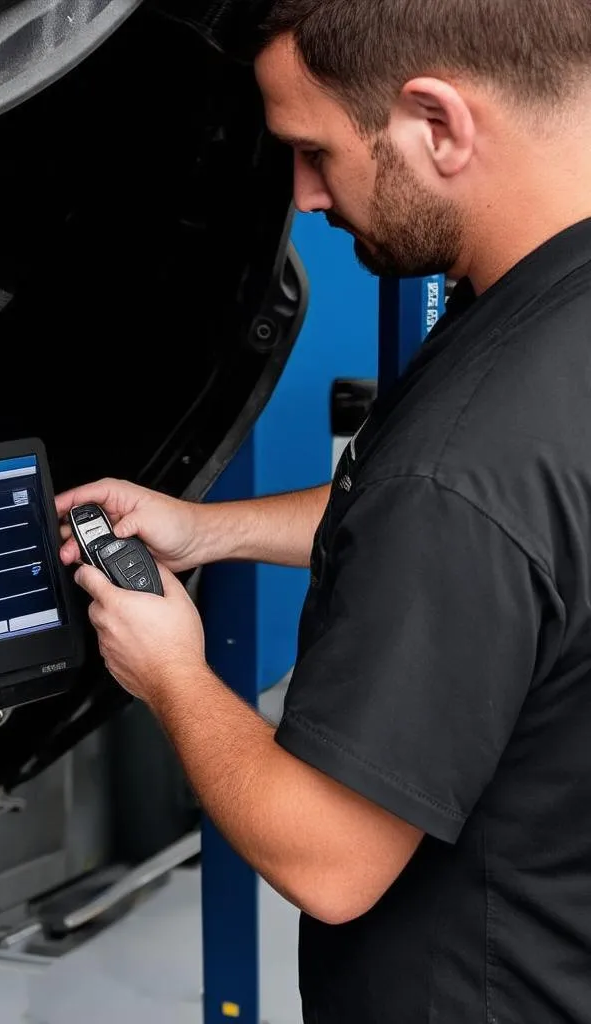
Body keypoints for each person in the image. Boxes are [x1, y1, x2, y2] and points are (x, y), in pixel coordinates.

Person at [54, 1, 591, 1020]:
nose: (301, 197)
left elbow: (328, 857)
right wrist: (211, 528)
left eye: (313, 150)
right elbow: (517, 546)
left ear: (437, 122)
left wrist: (171, 668)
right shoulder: (547, 307)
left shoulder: (467, 455)